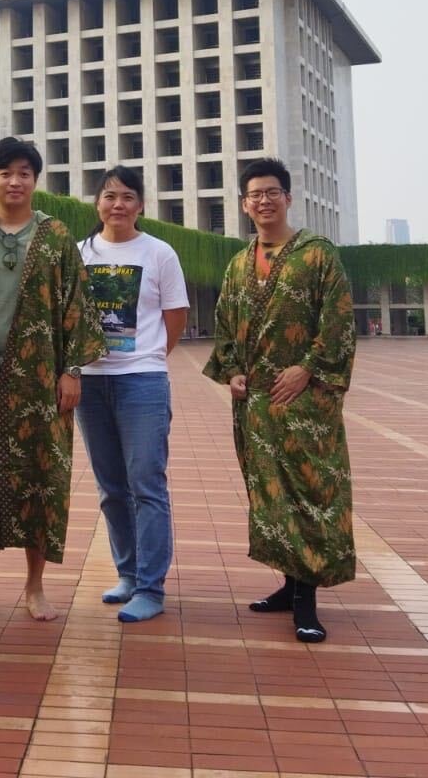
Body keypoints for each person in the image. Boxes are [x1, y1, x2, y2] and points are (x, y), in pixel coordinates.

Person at [204, 157, 356, 644]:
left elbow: (337, 321)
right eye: (255, 195)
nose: (264, 201)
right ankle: (288, 586)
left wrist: (307, 367)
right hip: (256, 406)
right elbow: (226, 325)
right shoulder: (238, 264)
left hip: (306, 401)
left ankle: (307, 601)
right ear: (245, 205)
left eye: (272, 192)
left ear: (289, 198)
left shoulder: (317, 255)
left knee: (309, 492)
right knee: (269, 494)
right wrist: (233, 371)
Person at [0, 137, 106, 622]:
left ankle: (35, 587)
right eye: (5, 172)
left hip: (41, 381)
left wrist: (71, 370)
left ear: (35, 180)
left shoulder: (57, 236)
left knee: (43, 479)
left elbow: (77, 306)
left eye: (24, 172)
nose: (15, 181)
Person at [75, 166, 188, 624]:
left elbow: (174, 316)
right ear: (97, 203)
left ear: (140, 205)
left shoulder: (159, 253)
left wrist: (149, 356)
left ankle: (150, 586)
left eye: (127, 196)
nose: (117, 204)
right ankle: (126, 573)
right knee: (111, 487)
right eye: (109, 196)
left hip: (141, 379)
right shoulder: (79, 252)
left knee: (146, 483)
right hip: (90, 381)